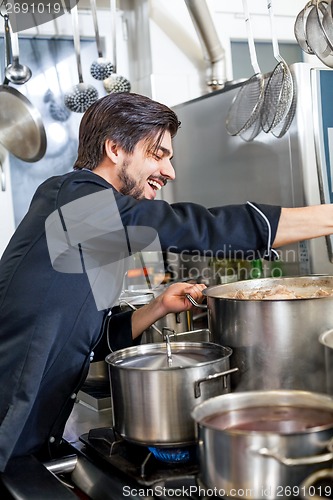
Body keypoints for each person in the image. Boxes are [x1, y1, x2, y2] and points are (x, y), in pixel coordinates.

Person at [0, 91, 333, 473]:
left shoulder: (92, 227)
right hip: (8, 427)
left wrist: (158, 306)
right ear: (114, 149)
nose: (170, 172)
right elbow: (190, 226)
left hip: (35, 435)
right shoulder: (72, 200)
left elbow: (91, 339)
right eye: (158, 155)